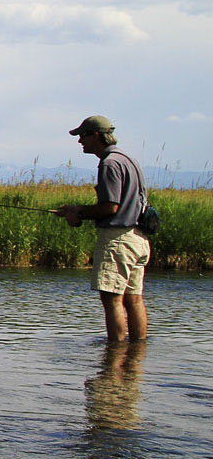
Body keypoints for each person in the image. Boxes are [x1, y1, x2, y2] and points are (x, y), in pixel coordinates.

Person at [52, 116, 149, 342]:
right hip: (138, 238)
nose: (80, 142)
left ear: (96, 135)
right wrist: (76, 209)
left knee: (112, 299)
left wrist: (78, 214)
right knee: (134, 299)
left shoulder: (109, 163)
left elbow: (110, 207)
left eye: (82, 136)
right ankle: (137, 354)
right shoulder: (129, 159)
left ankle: (114, 355)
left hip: (118, 240)